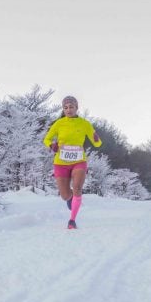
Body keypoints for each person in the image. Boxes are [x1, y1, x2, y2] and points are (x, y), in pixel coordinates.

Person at [43, 96, 102, 229]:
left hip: (79, 160)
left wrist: (96, 138)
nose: (68, 110)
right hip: (61, 162)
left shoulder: (84, 123)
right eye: (66, 107)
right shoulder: (59, 123)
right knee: (64, 195)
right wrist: (52, 145)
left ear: (76, 108)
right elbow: (46, 139)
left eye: (71, 107)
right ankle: (71, 199)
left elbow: (97, 144)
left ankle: (72, 220)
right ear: (63, 109)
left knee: (77, 188)